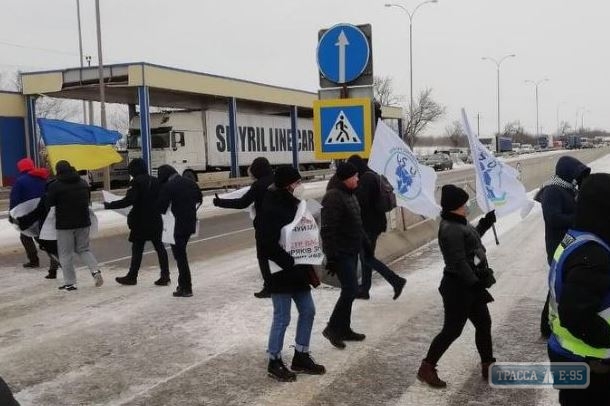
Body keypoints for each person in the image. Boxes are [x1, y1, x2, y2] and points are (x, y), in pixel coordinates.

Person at [417, 185, 497, 388]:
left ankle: (488, 365)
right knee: (452, 330)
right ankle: (427, 368)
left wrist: (486, 223)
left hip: (470, 284)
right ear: (456, 206)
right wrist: (475, 284)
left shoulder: (459, 223)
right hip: (458, 287)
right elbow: (458, 262)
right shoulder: (450, 229)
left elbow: (471, 239)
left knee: (483, 323)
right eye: (464, 202)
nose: (467, 205)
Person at [257, 166, 326, 381]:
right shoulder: (269, 208)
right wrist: (286, 260)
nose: (299, 186)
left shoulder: (297, 204)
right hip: (280, 272)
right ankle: (274, 360)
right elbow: (265, 244)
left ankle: (301, 355)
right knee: (282, 317)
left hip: (299, 269)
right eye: (296, 182)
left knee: (308, 310)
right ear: (287, 185)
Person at [547, 173, 610, 405]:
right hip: (590, 363)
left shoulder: (576, 237)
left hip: (567, 353)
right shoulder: (593, 256)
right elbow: (575, 315)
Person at [535, 156, 590, 338]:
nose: (578, 179)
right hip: (558, 246)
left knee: (562, 285)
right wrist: (579, 218)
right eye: (576, 175)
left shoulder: (567, 189)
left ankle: (550, 323)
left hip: (569, 245)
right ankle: (546, 325)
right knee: (558, 286)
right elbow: (553, 218)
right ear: (567, 173)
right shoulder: (553, 191)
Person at [212, 157, 274, 298]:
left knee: (263, 257)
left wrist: (221, 202)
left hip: (264, 227)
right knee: (278, 255)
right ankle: (281, 282)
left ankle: (269, 287)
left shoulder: (258, 185)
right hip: (281, 224)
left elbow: (242, 203)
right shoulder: (277, 180)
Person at [347, 154, 406, 300]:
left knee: (367, 257)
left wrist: (350, 193)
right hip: (375, 223)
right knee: (366, 257)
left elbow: (361, 201)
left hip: (369, 225)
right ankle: (365, 289)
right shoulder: (372, 175)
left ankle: (396, 280)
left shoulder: (366, 179)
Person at [320, 162, 367, 349]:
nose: (357, 179)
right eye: (354, 176)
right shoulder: (333, 197)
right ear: (345, 178)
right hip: (340, 253)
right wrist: (331, 257)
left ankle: (344, 329)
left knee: (350, 290)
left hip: (352, 249)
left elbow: (355, 221)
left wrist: (364, 242)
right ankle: (332, 328)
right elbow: (327, 230)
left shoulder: (350, 195)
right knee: (351, 290)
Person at [103, 158, 170, 286]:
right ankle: (165, 275)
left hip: (140, 220)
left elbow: (129, 200)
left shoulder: (136, 182)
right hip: (155, 219)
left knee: (137, 249)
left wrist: (110, 205)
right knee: (160, 247)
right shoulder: (156, 181)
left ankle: (132, 276)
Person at [46, 160, 103, 291]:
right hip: (83, 222)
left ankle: (70, 283)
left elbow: (49, 205)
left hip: (64, 225)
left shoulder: (55, 186)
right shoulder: (83, 183)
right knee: (84, 249)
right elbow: (88, 201)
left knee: (65, 254)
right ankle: (95, 271)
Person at [157, 165, 203, 298]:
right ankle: (181, 284)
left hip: (175, 225)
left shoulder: (169, 187)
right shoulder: (190, 183)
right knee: (181, 254)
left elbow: (161, 207)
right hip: (190, 224)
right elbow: (199, 199)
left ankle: (186, 288)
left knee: (180, 257)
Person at [9, 157, 59, 274]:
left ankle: (34, 260)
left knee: (26, 236)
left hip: (27, 213)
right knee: (43, 237)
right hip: (42, 211)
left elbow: (14, 199)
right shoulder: (42, 177)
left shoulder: (20, 181)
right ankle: (54, 260)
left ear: (21, 168)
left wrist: (12, 213)